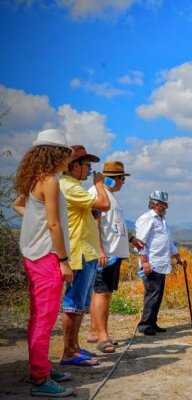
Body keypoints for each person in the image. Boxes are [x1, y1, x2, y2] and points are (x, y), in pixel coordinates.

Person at [11, 129, 76, 397]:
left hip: (34, 255)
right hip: (46, 256)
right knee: (44, 318)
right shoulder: (50, 181)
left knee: (39, 316)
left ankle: (42, 368)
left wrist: (33, 223)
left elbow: (19, 206)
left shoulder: (35, 179)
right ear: (56, 153)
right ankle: (40, 379)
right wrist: (63, 261)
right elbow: (53, 224)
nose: (69, 159)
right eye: (66, 154)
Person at [59, 145, 110, 367]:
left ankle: (75, 348)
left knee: (79, 305)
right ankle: (69, 352)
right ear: (74, 166)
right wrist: (99, 185)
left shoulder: (72, 187)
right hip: (78, 252)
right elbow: (104, 204)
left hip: (85, 251)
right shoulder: (69, 186)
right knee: (73, 305)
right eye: (87, 165)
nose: (90, 169)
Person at [87, 161, 144, 353]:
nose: (123, 183)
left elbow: (114, 223)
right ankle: (103, 337)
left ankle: (96, 331)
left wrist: (131, 238)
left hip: (114, 252)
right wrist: (100, 250)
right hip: (106, 253)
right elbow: (94, 223)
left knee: (103, 292)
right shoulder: (97, 194)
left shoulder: (110, 196)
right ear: (112, 178)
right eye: (121, 178)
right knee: (102, 292)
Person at [135, 191, 187, 336]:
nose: (166, 207)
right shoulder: (147, 219)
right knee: (152, 294)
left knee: (157, 295)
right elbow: (140, 242)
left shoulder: (162, 221)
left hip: (161, 263)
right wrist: (144, 262)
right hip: (152, 263)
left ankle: (152, 322)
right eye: (164, 205)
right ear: (157, 204)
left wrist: (178, 258)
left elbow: (169, 243)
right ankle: (145, 325)